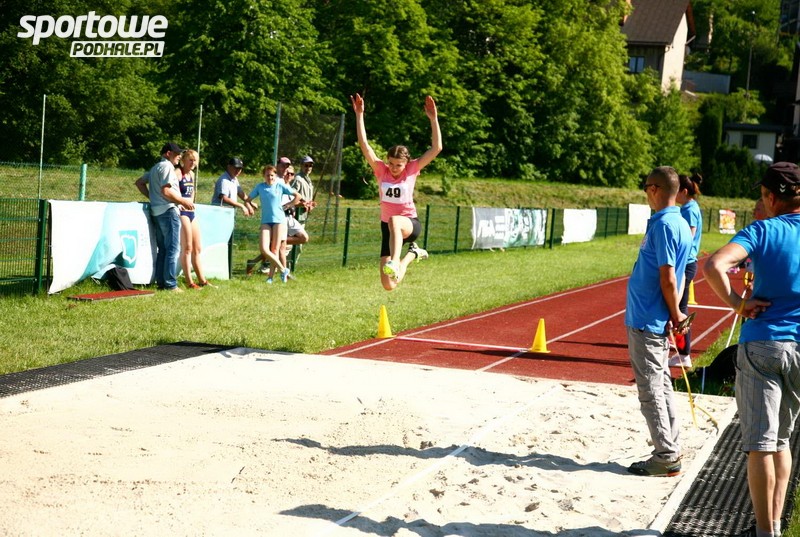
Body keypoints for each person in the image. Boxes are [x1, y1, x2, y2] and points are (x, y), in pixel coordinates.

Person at [704, 162, 800, 537]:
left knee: (760, 445)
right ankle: (774, 525)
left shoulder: (761, 230)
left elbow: (715, 265)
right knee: (782, 441)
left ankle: (764, 531)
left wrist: (738, 304)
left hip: (763, 343)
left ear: (771, 197)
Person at [625, 166, 692, 477]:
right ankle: (671, 446)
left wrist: (675, 313)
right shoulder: (679, 222)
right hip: (654, 316)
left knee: (650, 390)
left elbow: (669, 276)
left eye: (645, 187)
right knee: (662, 385)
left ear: (654, 189)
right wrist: (673, 312)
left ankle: (665, 454)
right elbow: (680, 273)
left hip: (647, 320)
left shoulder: (665, 224)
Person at [350, 92, 441, 291]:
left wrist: (433, 119)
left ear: (406, 163)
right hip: (388, 230)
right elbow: (364, 146)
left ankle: (394, 260)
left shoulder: (412, 169)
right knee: (389, 284)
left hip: (409, 224)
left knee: (395, 221)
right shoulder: (381, 170)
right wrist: (359, 115)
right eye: (391, 163)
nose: (393, 168)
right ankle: (412, 255)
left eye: (398, 165)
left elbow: (436, 148)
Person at [134, 142, 193, 292]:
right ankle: (171, 284)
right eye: (177, 153)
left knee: (163, 249)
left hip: (157, 211)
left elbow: (139, 183)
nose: (179, 156)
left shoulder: (156, 167)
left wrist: (152, 197)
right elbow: (166, 192)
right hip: (168, 211)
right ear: (168, 153)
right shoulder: (167, 167)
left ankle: (161, 282)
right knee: (172, 249)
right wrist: (183, 201)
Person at [670, 173, 704, 368]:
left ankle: (684, 354)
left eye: (676, 191)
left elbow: (688, 236)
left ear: (684, 191)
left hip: (686, 262)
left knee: (680, 308)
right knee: (677, 306)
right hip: (686, 261)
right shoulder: (690, 207)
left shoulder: (689, 209)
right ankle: (680, 348)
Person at [245, 165, 301, 283]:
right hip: (265, 221)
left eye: (272, 175)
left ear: (275, 176)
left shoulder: (280, 186)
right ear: (263, 176)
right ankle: (283, 270)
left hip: (279, 220)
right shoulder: (260, 187)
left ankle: (270, 277)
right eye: (267, 175)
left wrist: (289, 205)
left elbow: (298, 196)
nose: (270, 177)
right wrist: (250, 207)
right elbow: (247, 200)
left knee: (275, 249)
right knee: (264, 249)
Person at [176, 149, 212, 289]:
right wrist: (180, 203)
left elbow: (192, 192)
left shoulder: (191, 174)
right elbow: (172, 191)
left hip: (191, 212)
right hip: (182, 212)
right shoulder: (178, 173)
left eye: (195, 160)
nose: (193, 163)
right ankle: (189, 282)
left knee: (197, 248)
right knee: (187, 247)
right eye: (190, 160)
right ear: (183, 160)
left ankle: (202, 280)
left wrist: (191, 202)